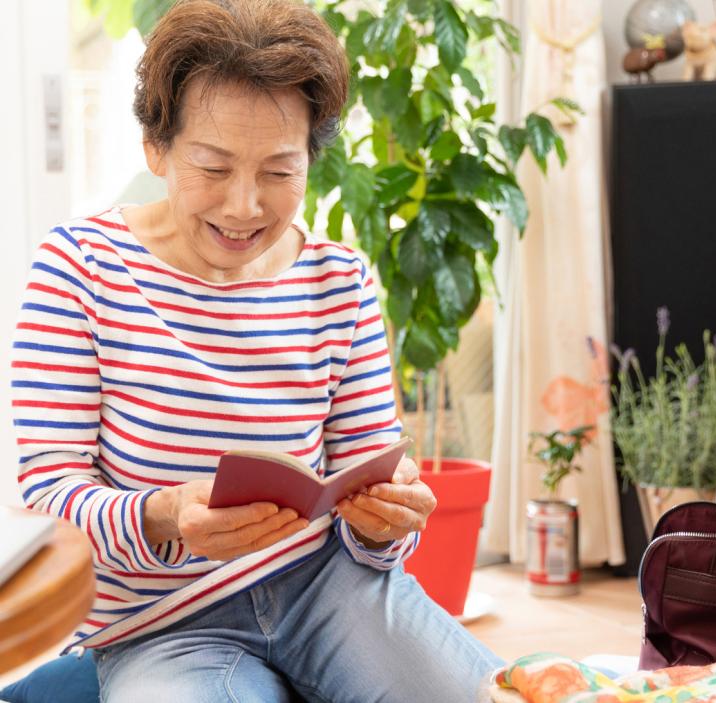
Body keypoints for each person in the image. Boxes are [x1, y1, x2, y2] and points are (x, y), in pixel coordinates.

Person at [10, 0, 503, 700]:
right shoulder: (79, 269)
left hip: (333, 590)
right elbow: (51, 499)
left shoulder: (339, 281)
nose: (244, 206)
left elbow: (374, 508)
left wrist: (388, 518)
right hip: (163, 622)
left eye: (278, 172)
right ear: (157, 147)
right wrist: (165, 513)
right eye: (213, 168)